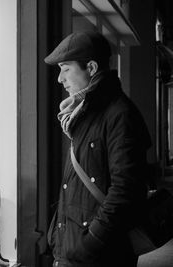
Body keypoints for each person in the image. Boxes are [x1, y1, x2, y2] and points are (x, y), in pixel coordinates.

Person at [44, 31, 152, 267]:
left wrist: (89, 244)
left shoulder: (119, 114)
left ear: (91, 68)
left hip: (98, 255)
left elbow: (126, 190)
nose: (59, 79)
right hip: (74, 250)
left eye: (66, 68)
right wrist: (57, 239)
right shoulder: (84, 114)